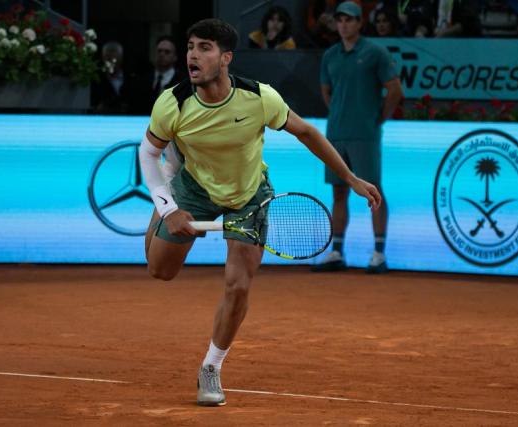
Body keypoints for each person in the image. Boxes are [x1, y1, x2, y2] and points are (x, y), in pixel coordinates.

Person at [140, 18, 381, 407]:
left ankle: (211, 367)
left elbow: (306, 132)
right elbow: (147, 153)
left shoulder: (259, 97)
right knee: (160, 270)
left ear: (226, 58)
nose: (192, 56)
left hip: (250, 195)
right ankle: (162, 206)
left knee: (238, 285)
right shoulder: (173, 102)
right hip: (194, 188)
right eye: (190, 48)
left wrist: (350, 178)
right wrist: (167, 209)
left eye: (204, 48)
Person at [313, 1, 402, 274]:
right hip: (336, 134)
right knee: (338, 191)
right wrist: (339, 115)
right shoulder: (330, 55)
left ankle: (378, 254)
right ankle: (337, 252)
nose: (344, 25)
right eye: (340, 20)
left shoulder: (376, 52)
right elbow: (327, 91)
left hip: (365, 134)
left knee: (372, 190)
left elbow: (394, 90)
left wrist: (376, 120)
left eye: (349, 20)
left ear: (360, 23)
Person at [132, 36, 186, 115]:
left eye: (167, 52)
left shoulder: (183, 82)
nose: (162, 54)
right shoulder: (142, 80)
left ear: (175, 57)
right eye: (159, 51)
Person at [91, 41, 133, 114]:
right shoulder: (96, 80)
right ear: (103, 58)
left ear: (121, 58)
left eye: (114, 59)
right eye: (108, 59)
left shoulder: (131, 79)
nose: (111, 63)